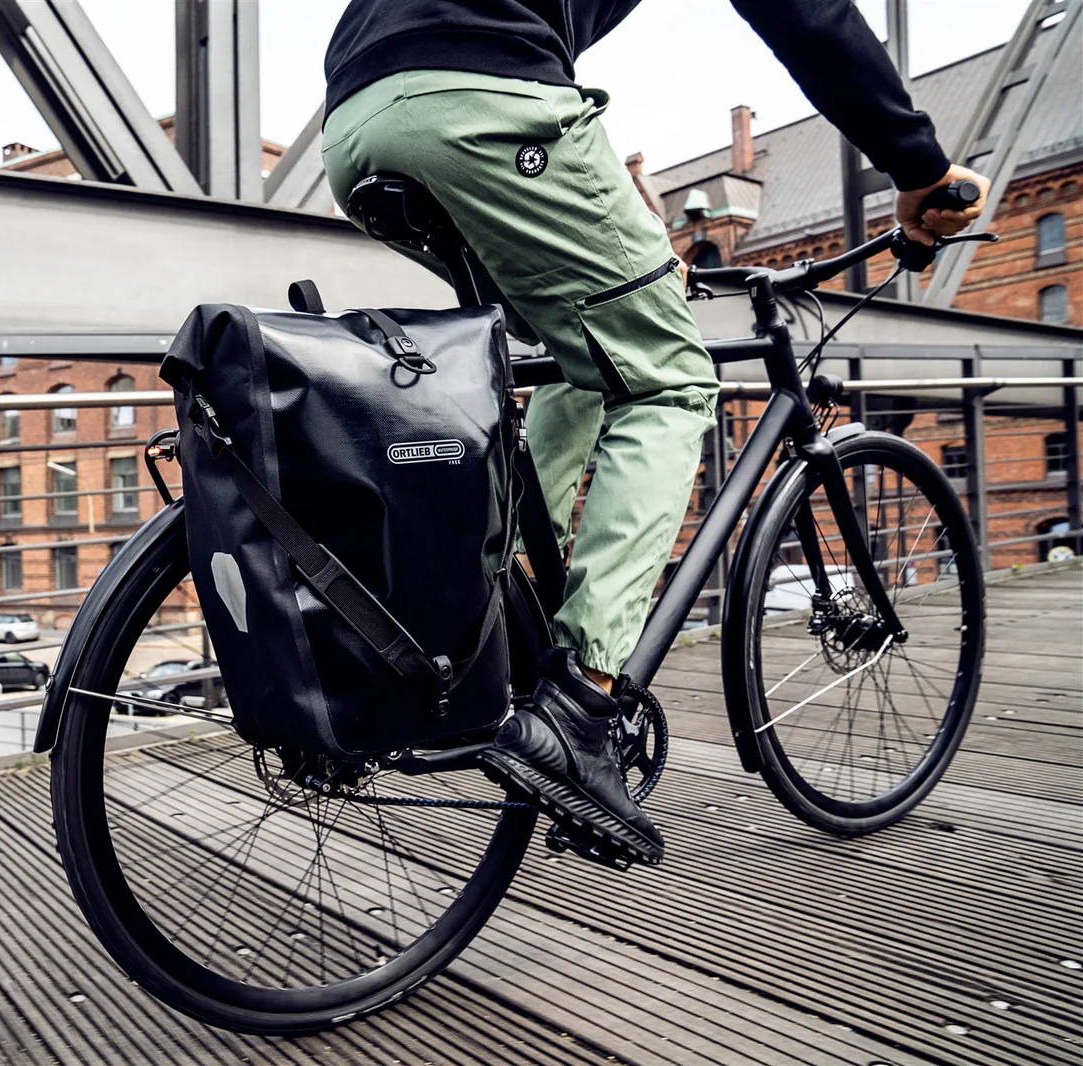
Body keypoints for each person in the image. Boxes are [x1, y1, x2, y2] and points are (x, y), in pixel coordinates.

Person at [320, 0, 990, 868]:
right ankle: (580, 708)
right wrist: (919, 164)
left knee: (583, 353)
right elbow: (809, 12)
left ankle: (495, 616)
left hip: (355, 122)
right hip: (479, 101)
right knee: (671, 378)